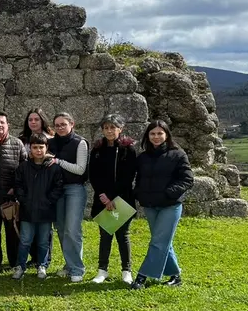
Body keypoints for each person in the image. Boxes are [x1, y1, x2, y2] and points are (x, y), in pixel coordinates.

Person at [131, 120, 194, 290]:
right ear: (148, 136)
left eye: (160, 133)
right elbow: (138, 179)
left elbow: (187, 179)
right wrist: (139, 193)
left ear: (166, 135)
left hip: (170, 206)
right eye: (152, 133)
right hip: (150, 206)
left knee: (158, 241)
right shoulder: (143, 157)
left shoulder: (178, 154)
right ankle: (175, 276)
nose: (156, 137)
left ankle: (141, 277)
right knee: (163, 241)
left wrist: (169, 193)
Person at [89, 114, 138, 285]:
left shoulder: (128, 149)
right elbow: (93, 174)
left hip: (122, 199)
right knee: (105, 235)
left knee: (122, 235)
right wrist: (103, 195)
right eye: (106, 128)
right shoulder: (97, 149)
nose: (109, 131)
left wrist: (114, 198)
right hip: (103, 199)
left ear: (120, 129)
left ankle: (127, 270)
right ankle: (102, 270)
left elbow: (128, 176)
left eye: (113, 127)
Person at [12, 134, 64, 280]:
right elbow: (18, 185)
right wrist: (23, 200)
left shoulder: (54, 168)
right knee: (25, 240)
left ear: (46, 148)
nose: (38, 150)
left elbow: (58, 186)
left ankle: (42, 265)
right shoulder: (23, 167)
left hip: (46, 211)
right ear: (30, 148)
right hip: (27, 210)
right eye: (35, 147)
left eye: (41, 147)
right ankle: (20, 266)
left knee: (43, 241)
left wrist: (49, 200)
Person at [48, 112, 89, 282]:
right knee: (61, 228)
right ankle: (69, 264)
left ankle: (77, 269)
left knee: (72, 229)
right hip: (57, 189)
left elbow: (80, 169)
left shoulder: (81, 143)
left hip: (74, 188)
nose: (60, 128)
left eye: (63, 124)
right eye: (57, 125)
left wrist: (58, 162)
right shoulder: (50, 142)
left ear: (72, 124)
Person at [0, 111, 27, 271]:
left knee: (12, 232)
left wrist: (16, 188)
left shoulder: (17, 144)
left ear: (7, 125)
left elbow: (24, 169)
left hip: (10, 197)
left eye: (2, 122)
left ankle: (15, 262)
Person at [19, 107, 54, 268]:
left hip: (45, 187)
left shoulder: (50, 139)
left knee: (44, 231)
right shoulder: (22, 139)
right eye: (30, 120)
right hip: (28, 186)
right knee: (28, 229)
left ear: (42, 121)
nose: (33, 122)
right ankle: (32, 258)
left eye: (36, 119)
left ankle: (44, 259)